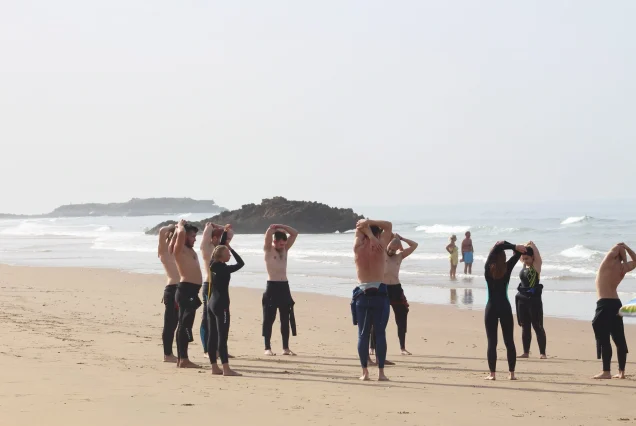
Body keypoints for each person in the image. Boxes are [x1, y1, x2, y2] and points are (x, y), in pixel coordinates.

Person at [351, 218, 392, 381]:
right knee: (380, 334)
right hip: (379, 293)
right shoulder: (381, 246)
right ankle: (381, 373)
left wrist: (365, 229)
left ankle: (365, 373)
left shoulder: (357, 247)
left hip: (362, 293)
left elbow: (359, 228)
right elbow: (388, 225)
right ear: (379, 233)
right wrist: (370, 225)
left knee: (363, 334)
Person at [369, 234, 418, 356]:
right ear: (387, 245)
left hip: (396, 289)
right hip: (383, 288)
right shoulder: (382, 254)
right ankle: (372, 347)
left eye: (393, 250)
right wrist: (389, 237)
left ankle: (402, 348)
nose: (391, 251)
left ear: (397, 249)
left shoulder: (399, 256)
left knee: (402, 316)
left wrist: (402, 239)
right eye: (389, 248)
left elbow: (414, 245)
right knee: (378, 318)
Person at [484, 241, 527, 380]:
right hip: (505, 307)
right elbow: (520, 252)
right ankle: (512, 374)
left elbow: (497, 245)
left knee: (492, 341)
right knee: (509, 341)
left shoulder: (487, 268)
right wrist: (518, 249)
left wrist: (513, 246)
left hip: (491, 307)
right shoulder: (508, 267)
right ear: (504, 258)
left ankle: (492, 374)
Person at [592, 243, 636, 379]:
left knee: (603, 336)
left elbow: (615, 248)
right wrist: (627, 249)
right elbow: (635, 260)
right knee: (618, 338)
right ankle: (621, 372)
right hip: (616, 304)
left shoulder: (606, 264)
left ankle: (606, 371)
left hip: (604, 304)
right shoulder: (623, 268)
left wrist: (620, 246)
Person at [207, 225, 245, 377]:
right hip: (221, 305)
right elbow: (241, 263)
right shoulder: (224, 268)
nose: (229, 255)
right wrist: (231, 248)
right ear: (222, 257)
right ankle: (226, 369)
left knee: (212, 336)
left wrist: (224, 234)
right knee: (222, 337)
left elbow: (220, 247)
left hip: (211, 303)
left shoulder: (213, 263)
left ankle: (214, 367)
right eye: (228, 254)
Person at [171, 219, 203, 369]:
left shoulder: (190, 250)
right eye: (192, 236)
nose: (194, 239)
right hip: (186, 290)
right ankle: (183, 359)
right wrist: (180, 226)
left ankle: (182, 358)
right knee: (184, 325)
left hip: (192, 291)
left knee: (185, 325)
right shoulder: (180, 249)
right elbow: (178, 238)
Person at [262, 224, 299, 356]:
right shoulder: (268, 249)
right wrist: (275, 228)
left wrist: (282, 226)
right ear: (274, 241)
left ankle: (285, 348)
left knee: (285, 317)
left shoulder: (285, 250)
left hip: (284, 287)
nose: (282, 246)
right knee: (269, 318)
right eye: (280, 244)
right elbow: (268, 232)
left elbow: (295, 233)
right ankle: (267, 347)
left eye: (284, 244)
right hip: (272, 286)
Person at [199, 222, 232, 356]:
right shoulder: (206, 249)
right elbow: (206, 234)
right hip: (209, 285)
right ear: (212, 238)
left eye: (220, 237)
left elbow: (230, 233)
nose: (220, 240)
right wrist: (210, 225)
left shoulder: (220, 251)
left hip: (220, 287)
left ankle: (220, 348)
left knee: (222, 319)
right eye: (217, 237)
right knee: (208, 319)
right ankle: (207, 349)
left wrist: (222, 227)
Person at [515, 241, 547, 359]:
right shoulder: (524, 265)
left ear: (532, 257)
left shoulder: (536, 266)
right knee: (525, 326)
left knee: (537, 326)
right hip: (522, 300)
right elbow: (518, 252)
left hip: (534, 300)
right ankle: (526, 352)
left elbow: (537, 254)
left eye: (527, 258)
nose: (525, 260)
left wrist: (530, 244)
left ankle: (542, 353)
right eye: (524, 258)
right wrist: (522, 249)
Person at [158, 223, 179, 363]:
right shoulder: (164, 253)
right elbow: (161, 231)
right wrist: (175, 226)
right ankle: (168, 354)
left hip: (179, 289)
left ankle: (170, 353)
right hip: (172, 289)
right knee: (170, 324)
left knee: (175, 324)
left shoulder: (178, 252)